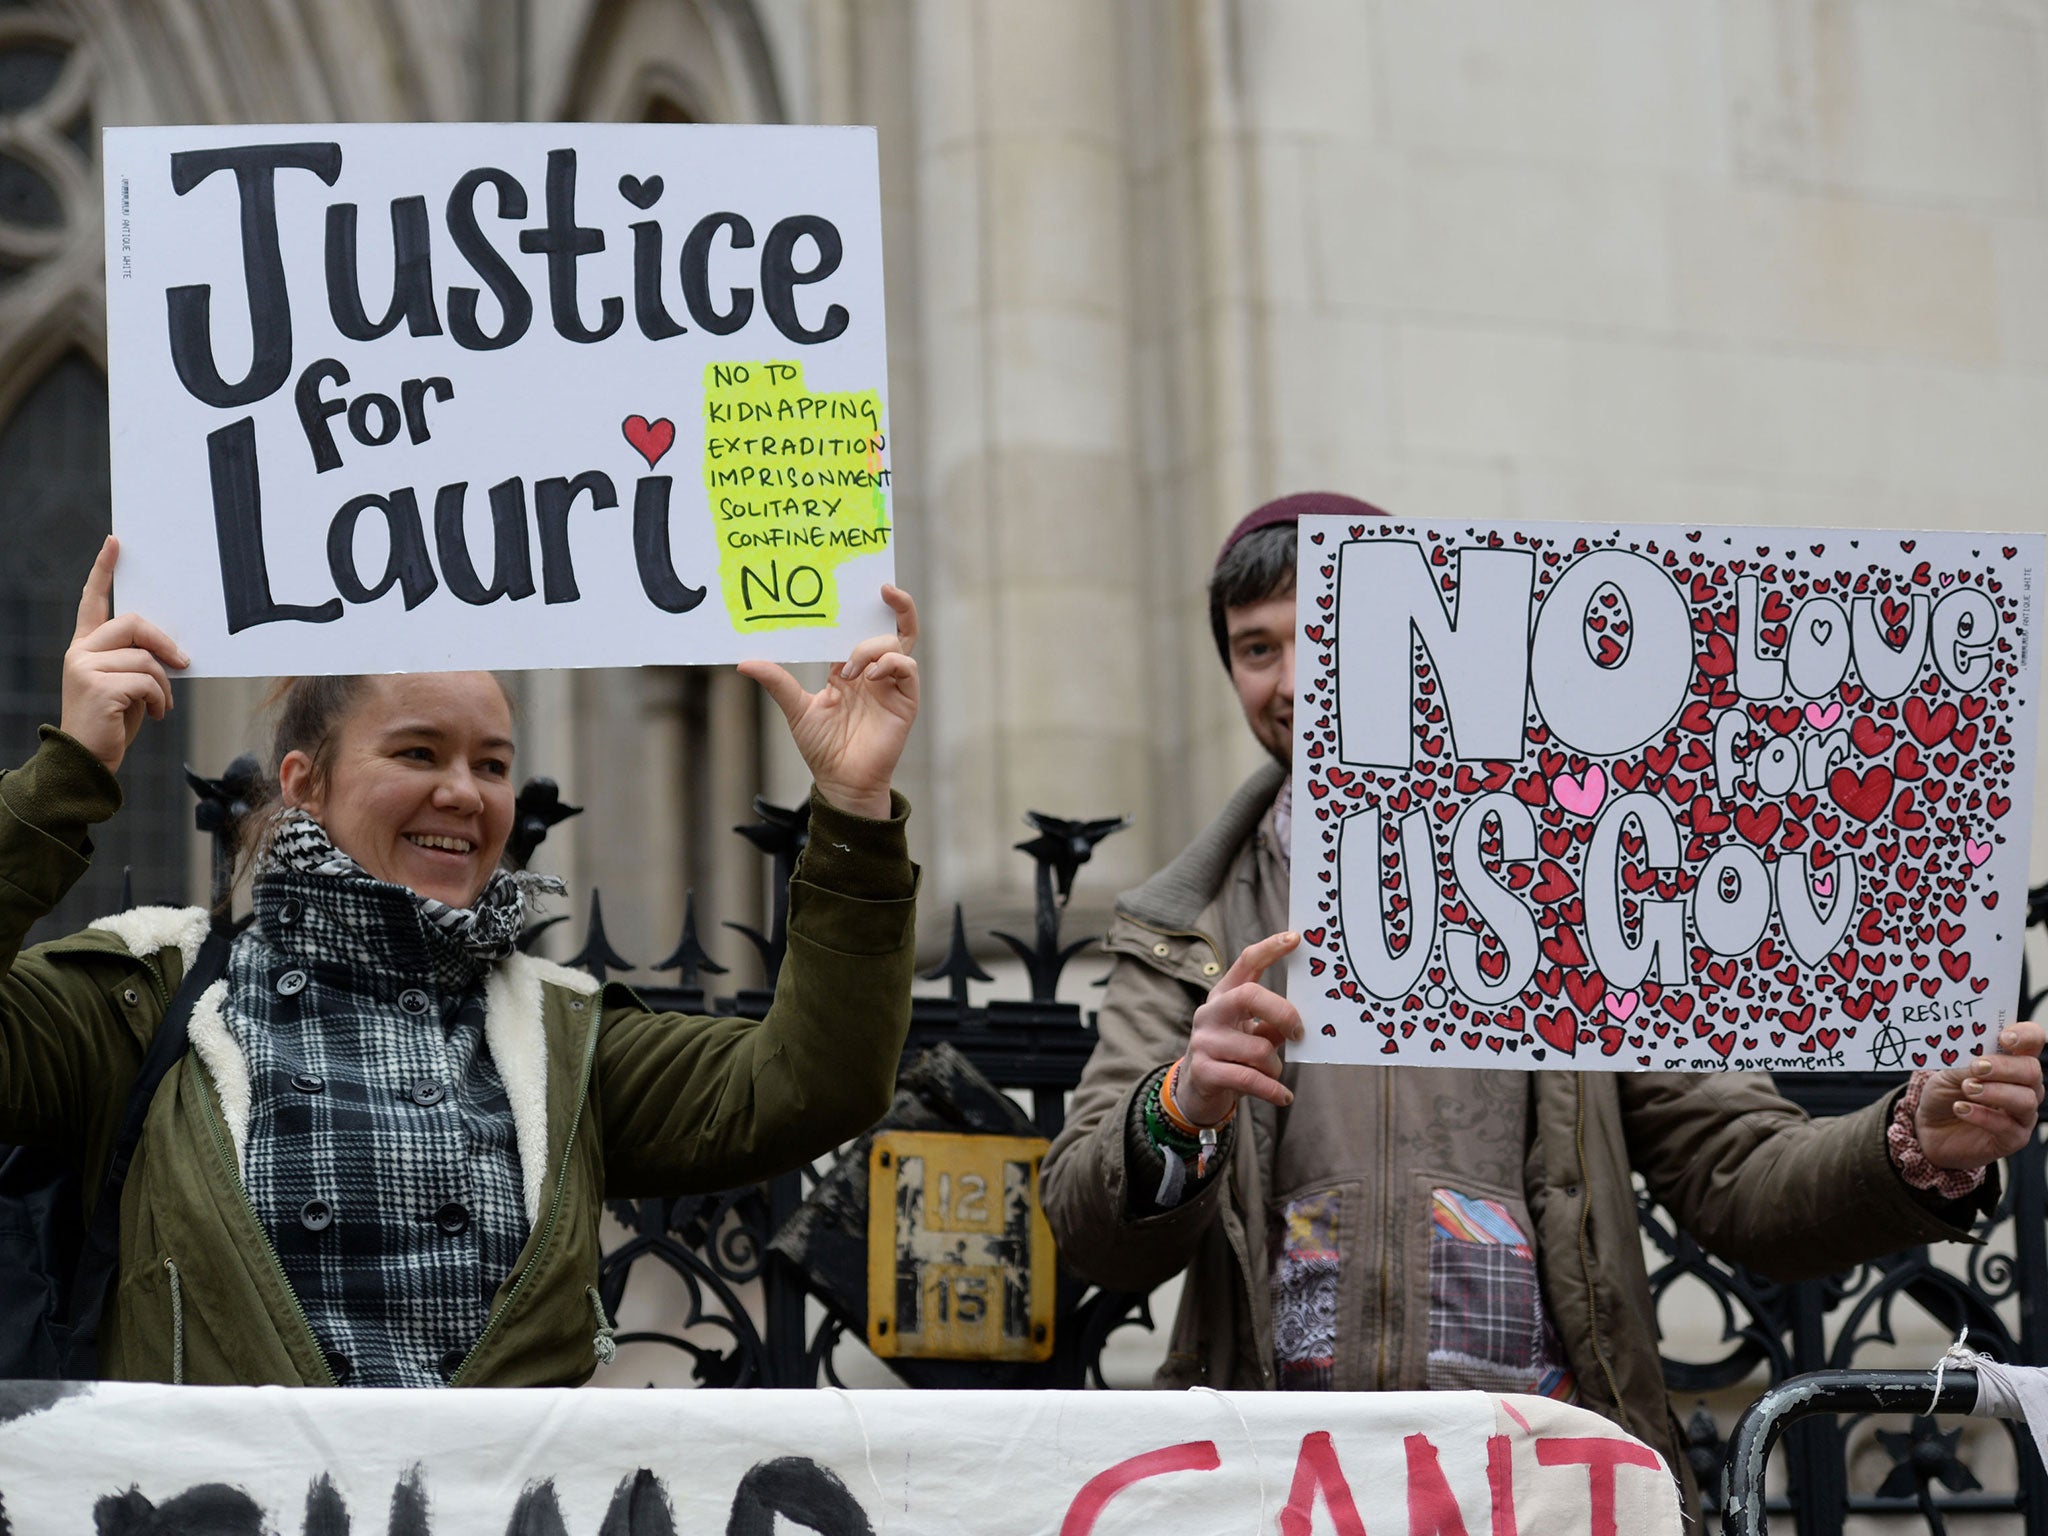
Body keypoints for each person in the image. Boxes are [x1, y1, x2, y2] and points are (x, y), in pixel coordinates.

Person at [1039, 491, 2044, 1506]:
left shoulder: (1581, 885)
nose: (1292, 681)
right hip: (1274, 1492)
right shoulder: (1186, 930)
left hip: (1542, 1488)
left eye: (1326, 633)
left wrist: (1907, 1146)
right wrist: (1178, 1111)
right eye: (1255, 650)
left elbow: (1736, 1173)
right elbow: (1086, 1231)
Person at [0, 535, 920, 1387]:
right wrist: (70, 772)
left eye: (491, 764)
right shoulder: (145, 993)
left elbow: (816, 1079)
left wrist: (853, 811)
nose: (462, 793)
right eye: (417, 751)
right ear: (303, 783)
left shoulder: (562, 1035)